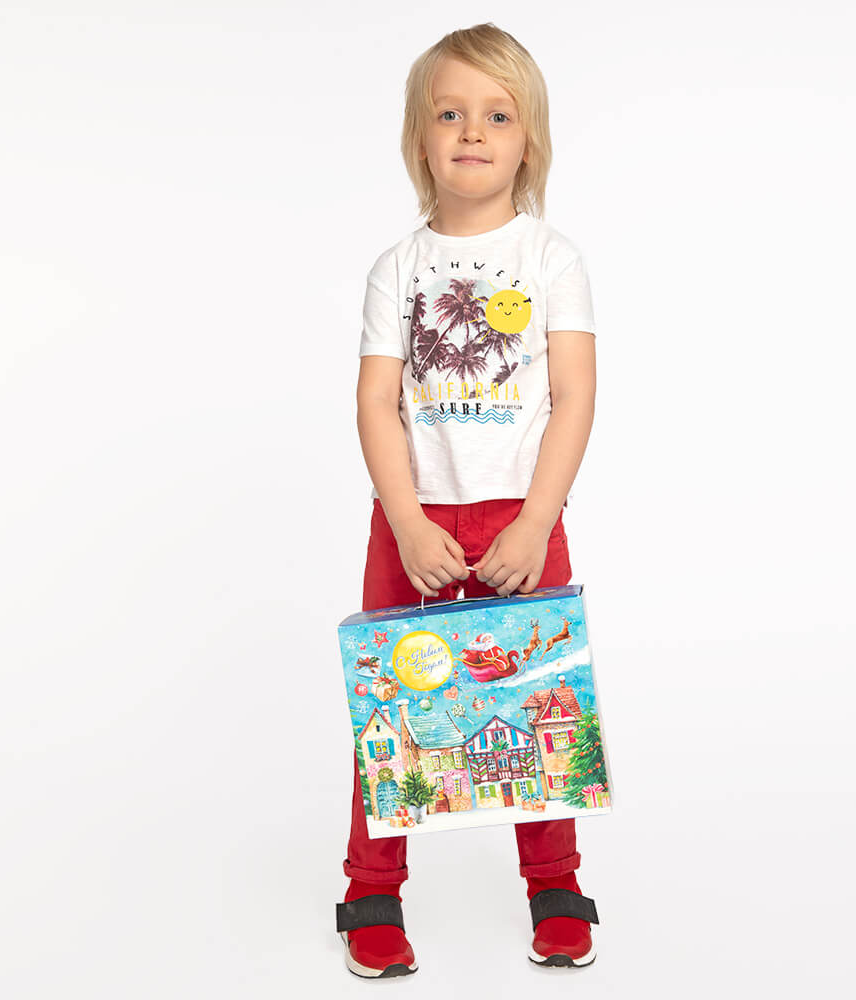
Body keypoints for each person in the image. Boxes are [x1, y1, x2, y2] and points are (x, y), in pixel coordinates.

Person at [336, 23, 600, 978]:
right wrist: (407, 521)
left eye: (498, 115)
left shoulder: (552, 259)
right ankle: (371, 887)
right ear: (421, 138)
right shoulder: (397, 268)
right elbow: (375, 400)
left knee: (540, 703)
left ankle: (556, 884)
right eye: (450, 114)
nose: (473, 132)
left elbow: (574, 395)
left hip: (519, 519)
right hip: (415, 522)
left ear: (529, 140)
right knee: (389, 705)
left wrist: (535, 520)